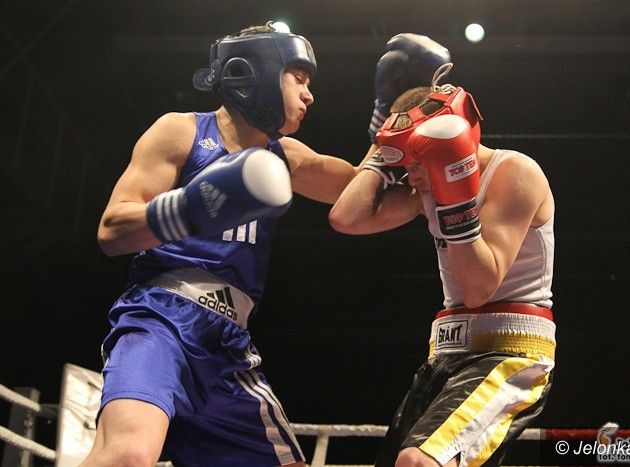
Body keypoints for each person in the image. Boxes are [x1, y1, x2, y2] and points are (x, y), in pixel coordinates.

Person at [85, 22, 450, 467]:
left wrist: (391, 118)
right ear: (256, 70)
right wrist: (195, 207)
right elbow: (112, 230)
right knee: (127, 454)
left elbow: (361, 194)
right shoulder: (181, 131)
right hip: (161, 321)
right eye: (300, 78)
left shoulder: (286, 156)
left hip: (228, 346)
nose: (310, 95)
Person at [329, 61, 556, 467]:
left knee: (419, 462)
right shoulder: (425, 191)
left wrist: (455, 193)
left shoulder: (514, 172)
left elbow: (478, 288)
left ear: (451, 142)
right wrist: (382, 152)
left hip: (509, 354)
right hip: (447, 352)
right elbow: (347, 218)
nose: (410, 173)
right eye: (405, 160)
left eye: (418, 160)